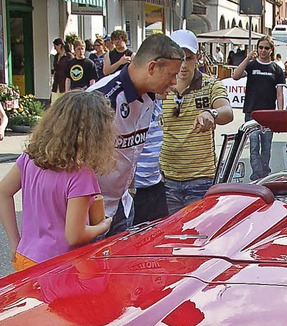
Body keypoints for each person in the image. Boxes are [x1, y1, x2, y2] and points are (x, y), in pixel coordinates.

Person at [0, 91, 114, 271]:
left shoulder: (30, 158)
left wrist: (15, 241)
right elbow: (74, 236)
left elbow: (3, 192)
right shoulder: (81, 174)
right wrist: (103, 226)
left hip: (25, 257)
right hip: (58, 266)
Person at [88, 33, 184, 235]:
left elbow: (130, 150)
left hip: (121, 206)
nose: (174, 82)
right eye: (171, 75)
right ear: (152, 67)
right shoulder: (103, 99)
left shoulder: (151, 95)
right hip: (89, 214)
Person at [160, 30, 233, 214]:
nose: (184, 65)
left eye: (189, 58)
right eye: (179, 58)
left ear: (197, 58)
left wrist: (211, 113)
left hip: (201, 178)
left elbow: (227, 111)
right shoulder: (160, 87)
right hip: (166, 178)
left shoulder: (211, 85)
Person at [233, 36, 285, 181]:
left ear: (271, 50)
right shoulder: (251, 66)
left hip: (268, 113)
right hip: (252, 111)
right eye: (260, 47)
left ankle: (265, 172)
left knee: (266, 146)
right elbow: (236, 75)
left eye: (266, 48)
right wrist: (247, 58)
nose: (263, 50)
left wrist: (280, 115)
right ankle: (257, 174)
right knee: (254, 145)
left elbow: (279, 94)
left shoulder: (276, 69)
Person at [133, 100, 167, 225]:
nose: (173, 83)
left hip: (156, 183)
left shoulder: (159, 103)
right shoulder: (131, 104)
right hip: (134, 190)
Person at [51, 38, 70, 104]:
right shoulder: (56, 56)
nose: (54, 48)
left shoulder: (68, 56)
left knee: (64, 103)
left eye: (55, 46)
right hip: (56, 82)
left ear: (59, 45)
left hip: (64, 82)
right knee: (54, 103)